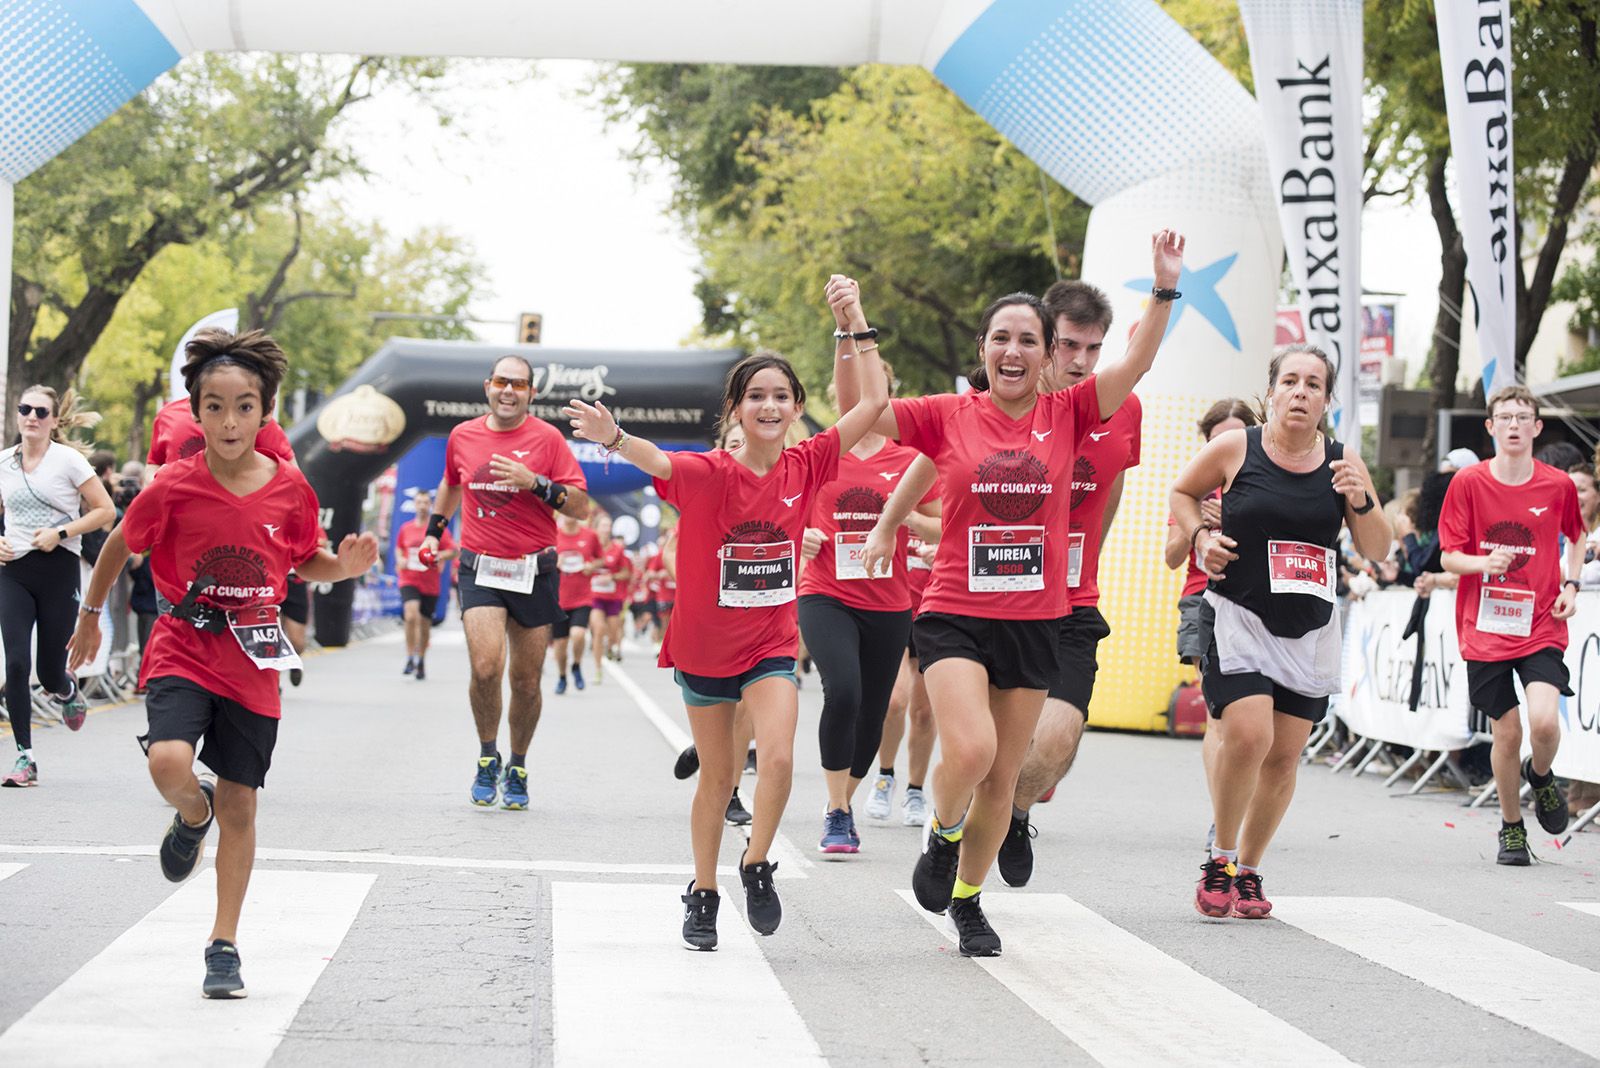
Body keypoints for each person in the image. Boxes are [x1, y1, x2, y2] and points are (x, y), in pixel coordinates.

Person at [852, 230, 1185, 956]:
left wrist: (1163, 289)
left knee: (1004, 775)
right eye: (1001, 338)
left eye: (1028, 340)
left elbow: (1137, 361)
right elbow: (862, 414)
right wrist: (857, 331)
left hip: (1038, 618)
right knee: (969, 751)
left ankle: (969, 900)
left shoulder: (1070, 414)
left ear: (1045, 355)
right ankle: (942, 836)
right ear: (983, 349)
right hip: (954, 613)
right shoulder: (948, 413)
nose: (1013, 351)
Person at [565, 281, 889, 952]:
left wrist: (853, 320)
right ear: (737, 410)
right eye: (755, 396)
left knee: (776, 759)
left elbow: (875, 402)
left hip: (770, 645)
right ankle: (704, 889)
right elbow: (657, 460)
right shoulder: (710, 473)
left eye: (781, 396)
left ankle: (757, 863)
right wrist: (614, 436)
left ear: (797, 408)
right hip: (705, 653)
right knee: (717, 779)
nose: (769, 406)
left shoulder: (809, 461)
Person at [67, 328, 378, 998]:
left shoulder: (291, 489)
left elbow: (306, 559)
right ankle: (189, 814)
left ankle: (224, 943)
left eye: (244, 405)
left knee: (242, 799)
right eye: (215, 405)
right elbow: (120, 546)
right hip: (183, 640)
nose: (230, 419)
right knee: (168, 763)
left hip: (253, 655)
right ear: (196, 411)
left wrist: (340, 568)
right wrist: (90, 618)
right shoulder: (174, 485)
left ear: (264, 411)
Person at [1173, 343, 1391, 920]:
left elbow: (1378, 548)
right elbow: (1182, 493)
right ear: (1270, 392)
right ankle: (1219, 858)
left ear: (1326, 399)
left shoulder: (1344, 462)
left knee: (1285, 757)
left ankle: (1248, 869)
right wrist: (1199, 536)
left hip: (1308, 625)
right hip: (1239, 614)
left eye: (1313, 384)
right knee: (1248, 734)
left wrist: (1361, 500)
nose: (1300, 392)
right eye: (1290, 381)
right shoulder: (1236, 448)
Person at [994, 279, 1143, 888]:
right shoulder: (1001, 403)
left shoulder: (1121, 406)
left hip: (1072, 598)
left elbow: (1112, 484)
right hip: (999, 594)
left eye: (1093, 348)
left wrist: (1089, 558)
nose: (1079, 361)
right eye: (1068, 345)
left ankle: (1012, 813)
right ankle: (959, 826)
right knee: (983, 745)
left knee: (1057, 743)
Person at [421, 355, 591, 810]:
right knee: (486, 667)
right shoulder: (463, 435)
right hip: (481, 568)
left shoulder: (548, 439)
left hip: (534, 569)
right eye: (501, 382)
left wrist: (535, 483)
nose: (508, 390)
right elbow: (451, 483)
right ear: (488, 387)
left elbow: (580, 507)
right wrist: (433, 534)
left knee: (527, 681)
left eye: (518, 384)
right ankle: (486, 756)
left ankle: (517, 764)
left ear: (531, 393)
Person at [1440, 385, 1584, 864]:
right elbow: (1449, 556)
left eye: (1524, 417)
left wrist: (1571, 586)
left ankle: (1541, 776)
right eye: (1506, 417)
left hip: (1540, 620)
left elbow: (1577, 537)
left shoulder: (1557, 484)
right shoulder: (1468, 484)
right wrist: (1484, 563)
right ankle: (1511, 827)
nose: (1515, 425)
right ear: (1491, 427)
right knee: (1507, 732)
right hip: (1484, 626)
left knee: (1543, 722)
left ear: (1538, 428)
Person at [797, 362, 927, 855]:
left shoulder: (911, 457)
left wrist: (907, 523)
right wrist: (801, 535)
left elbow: (944, 517)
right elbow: (779, 507)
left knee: (874, 711)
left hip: (891, 601)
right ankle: (834, 809)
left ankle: (844, 804)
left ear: (886, 396)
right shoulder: (819, 455)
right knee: (844, 692)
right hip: (826, 592)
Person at [0, 387, 115, 787]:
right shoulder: (4, 463)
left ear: (53, 420)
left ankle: (66, 691)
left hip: (58, 568)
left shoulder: (68, 461)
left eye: (40, 411)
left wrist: (61, 531)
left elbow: (105, 510)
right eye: (25, 409)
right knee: (15, 662)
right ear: (17, 415)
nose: (31, 416)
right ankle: (25, 758)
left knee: (49, 672)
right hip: (12, 569)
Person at [1162, 398, 1256, 851]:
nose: (1228, 448)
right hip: (1203, 600)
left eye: (1237, 438)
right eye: (1219, 440)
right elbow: (1172, 557)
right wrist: (1196, 524)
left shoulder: (1264, 484)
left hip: (1258, 604)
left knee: (1253, 724)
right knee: (1218, 715)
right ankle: (1222, 818)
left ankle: (1240, 806)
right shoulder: (1192, 489)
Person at [863, 459, 941, 828]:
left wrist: (908, 518)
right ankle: (885, 775)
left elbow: (949, 529)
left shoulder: (939, 475)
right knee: (894, 701)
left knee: (925, 711)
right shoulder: (884, 471)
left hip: (935, 605)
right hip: (894, 603)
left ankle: (914, 788)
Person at [395, 488, 457, 680]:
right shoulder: (406, 528)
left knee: (424, 623)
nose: (422, 506)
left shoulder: (436, 530)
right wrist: (401, 560)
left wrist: (438, 555)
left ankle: (421, 659)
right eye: (419, 502)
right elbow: (399, 548)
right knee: (411, 614)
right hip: (409, 578)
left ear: (430, 505)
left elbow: (453, 550)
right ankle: (409, 656)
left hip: (430, 582)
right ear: (414, 505)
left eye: (425, 503)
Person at [552, 509, 601, 693]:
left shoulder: (590, 535)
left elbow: (600, 559)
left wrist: (591, 566)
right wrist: (554, 563)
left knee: (578, 635)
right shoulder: (554, 534)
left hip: (583, 597)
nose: (570, 514)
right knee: (561, 645)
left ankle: (577, 665)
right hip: (558, 598)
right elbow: (543, 557)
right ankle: (562, 676)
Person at [588, 513, 631, 672]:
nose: (607, 529)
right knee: (598, 629)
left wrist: (611, 576)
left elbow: (627, 573)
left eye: (609, 526)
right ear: (596, 528)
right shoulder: (589, 546)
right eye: (604, 526)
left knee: (613, 634)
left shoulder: (617, 549)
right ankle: (598, 668)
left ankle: (612, 646)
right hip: (594, 597)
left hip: (613, 597)